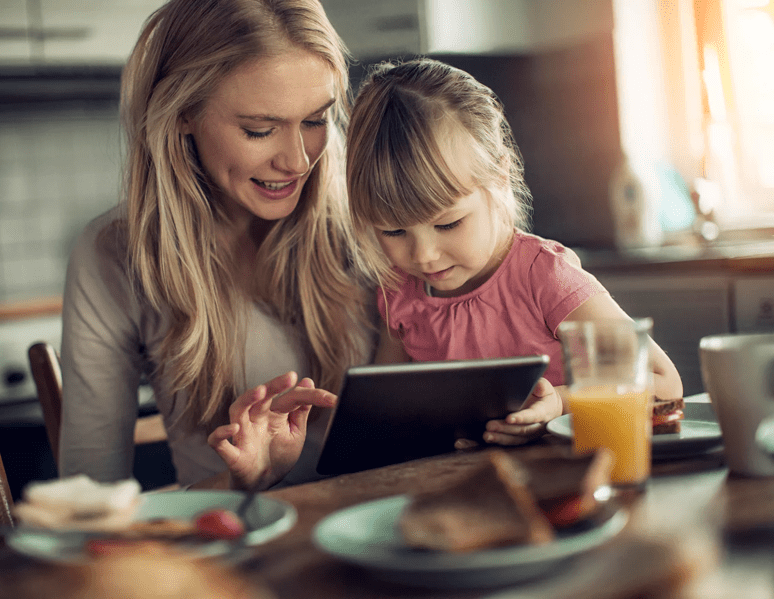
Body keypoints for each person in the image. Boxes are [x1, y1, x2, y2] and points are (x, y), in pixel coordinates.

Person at [59, 0, 373, 492]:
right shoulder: (114, 255)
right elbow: (90, 491)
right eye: (260, 130)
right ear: (183, 114)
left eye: (316, 120)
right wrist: (244, 485)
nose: (297, 160)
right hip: (235, 544)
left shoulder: (372, 221)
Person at [345, 58, 683, 445]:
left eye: (448, 224)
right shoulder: (398, 293)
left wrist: (558, 403)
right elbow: (382, 413)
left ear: (500, 177)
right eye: (393, 230)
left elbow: (664, 383)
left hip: (566, 477)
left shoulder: (544, 277)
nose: (422, 255)